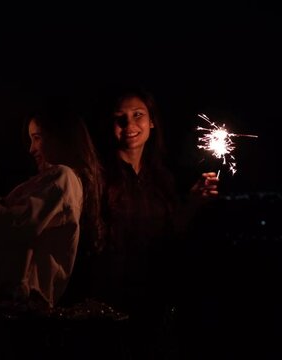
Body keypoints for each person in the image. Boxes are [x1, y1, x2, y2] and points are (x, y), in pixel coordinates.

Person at [0, 105, 104, 358]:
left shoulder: (63, 177)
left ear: (62, 137)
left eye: (37, 138)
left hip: (21, 315)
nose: (31, 149)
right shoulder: (43, 183)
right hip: (7, 310)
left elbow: (9, 230)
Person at [87, 86, 219, 358]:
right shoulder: (97, 177)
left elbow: (171, 234)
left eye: (138, 115)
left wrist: (193, 203)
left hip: (154, 306)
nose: (129, 125)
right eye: (120, 118)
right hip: (109, 309)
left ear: (152, 121)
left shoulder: (161, 179)